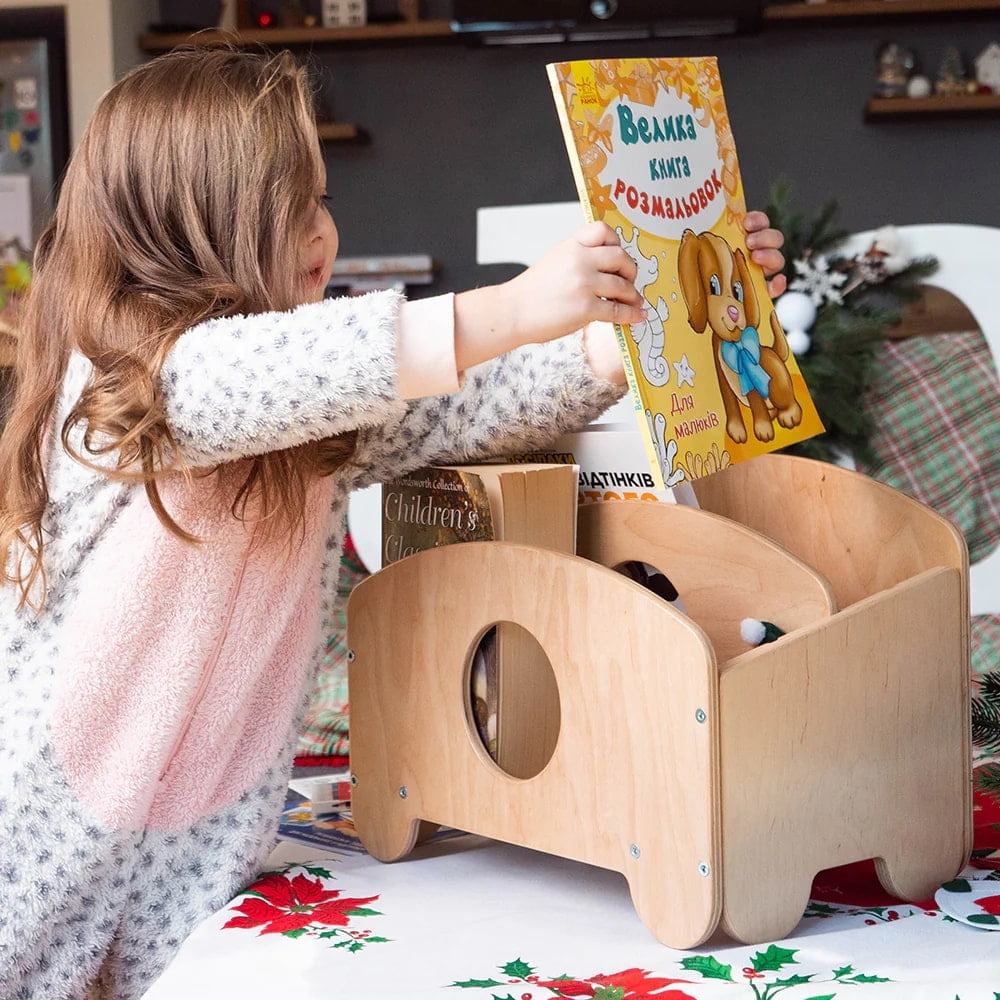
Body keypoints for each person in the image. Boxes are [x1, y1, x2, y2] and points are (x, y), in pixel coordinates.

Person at [0, 46, 786, 999]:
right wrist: (515, 304)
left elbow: (468, 404)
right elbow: (283, 370)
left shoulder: (309, 416)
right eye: (292, 208)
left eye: (324, 201)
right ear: (198, 225)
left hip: (202, 838)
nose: (323, 231)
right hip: (36, 832)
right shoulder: (126, 392)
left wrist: (628, 333)